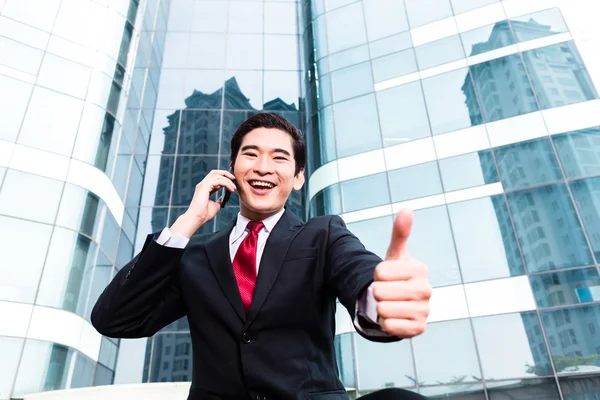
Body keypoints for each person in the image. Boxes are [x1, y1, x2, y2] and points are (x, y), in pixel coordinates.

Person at [91, 113, 432, 400]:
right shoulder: (194, 254)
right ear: (231, 171)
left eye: (280, 158)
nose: (263, 167)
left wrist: (377, 297)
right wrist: (187, 223)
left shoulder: (322, 235)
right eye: (250, 155)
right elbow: (115, 319)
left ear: (298, 178)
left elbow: (357, 270)